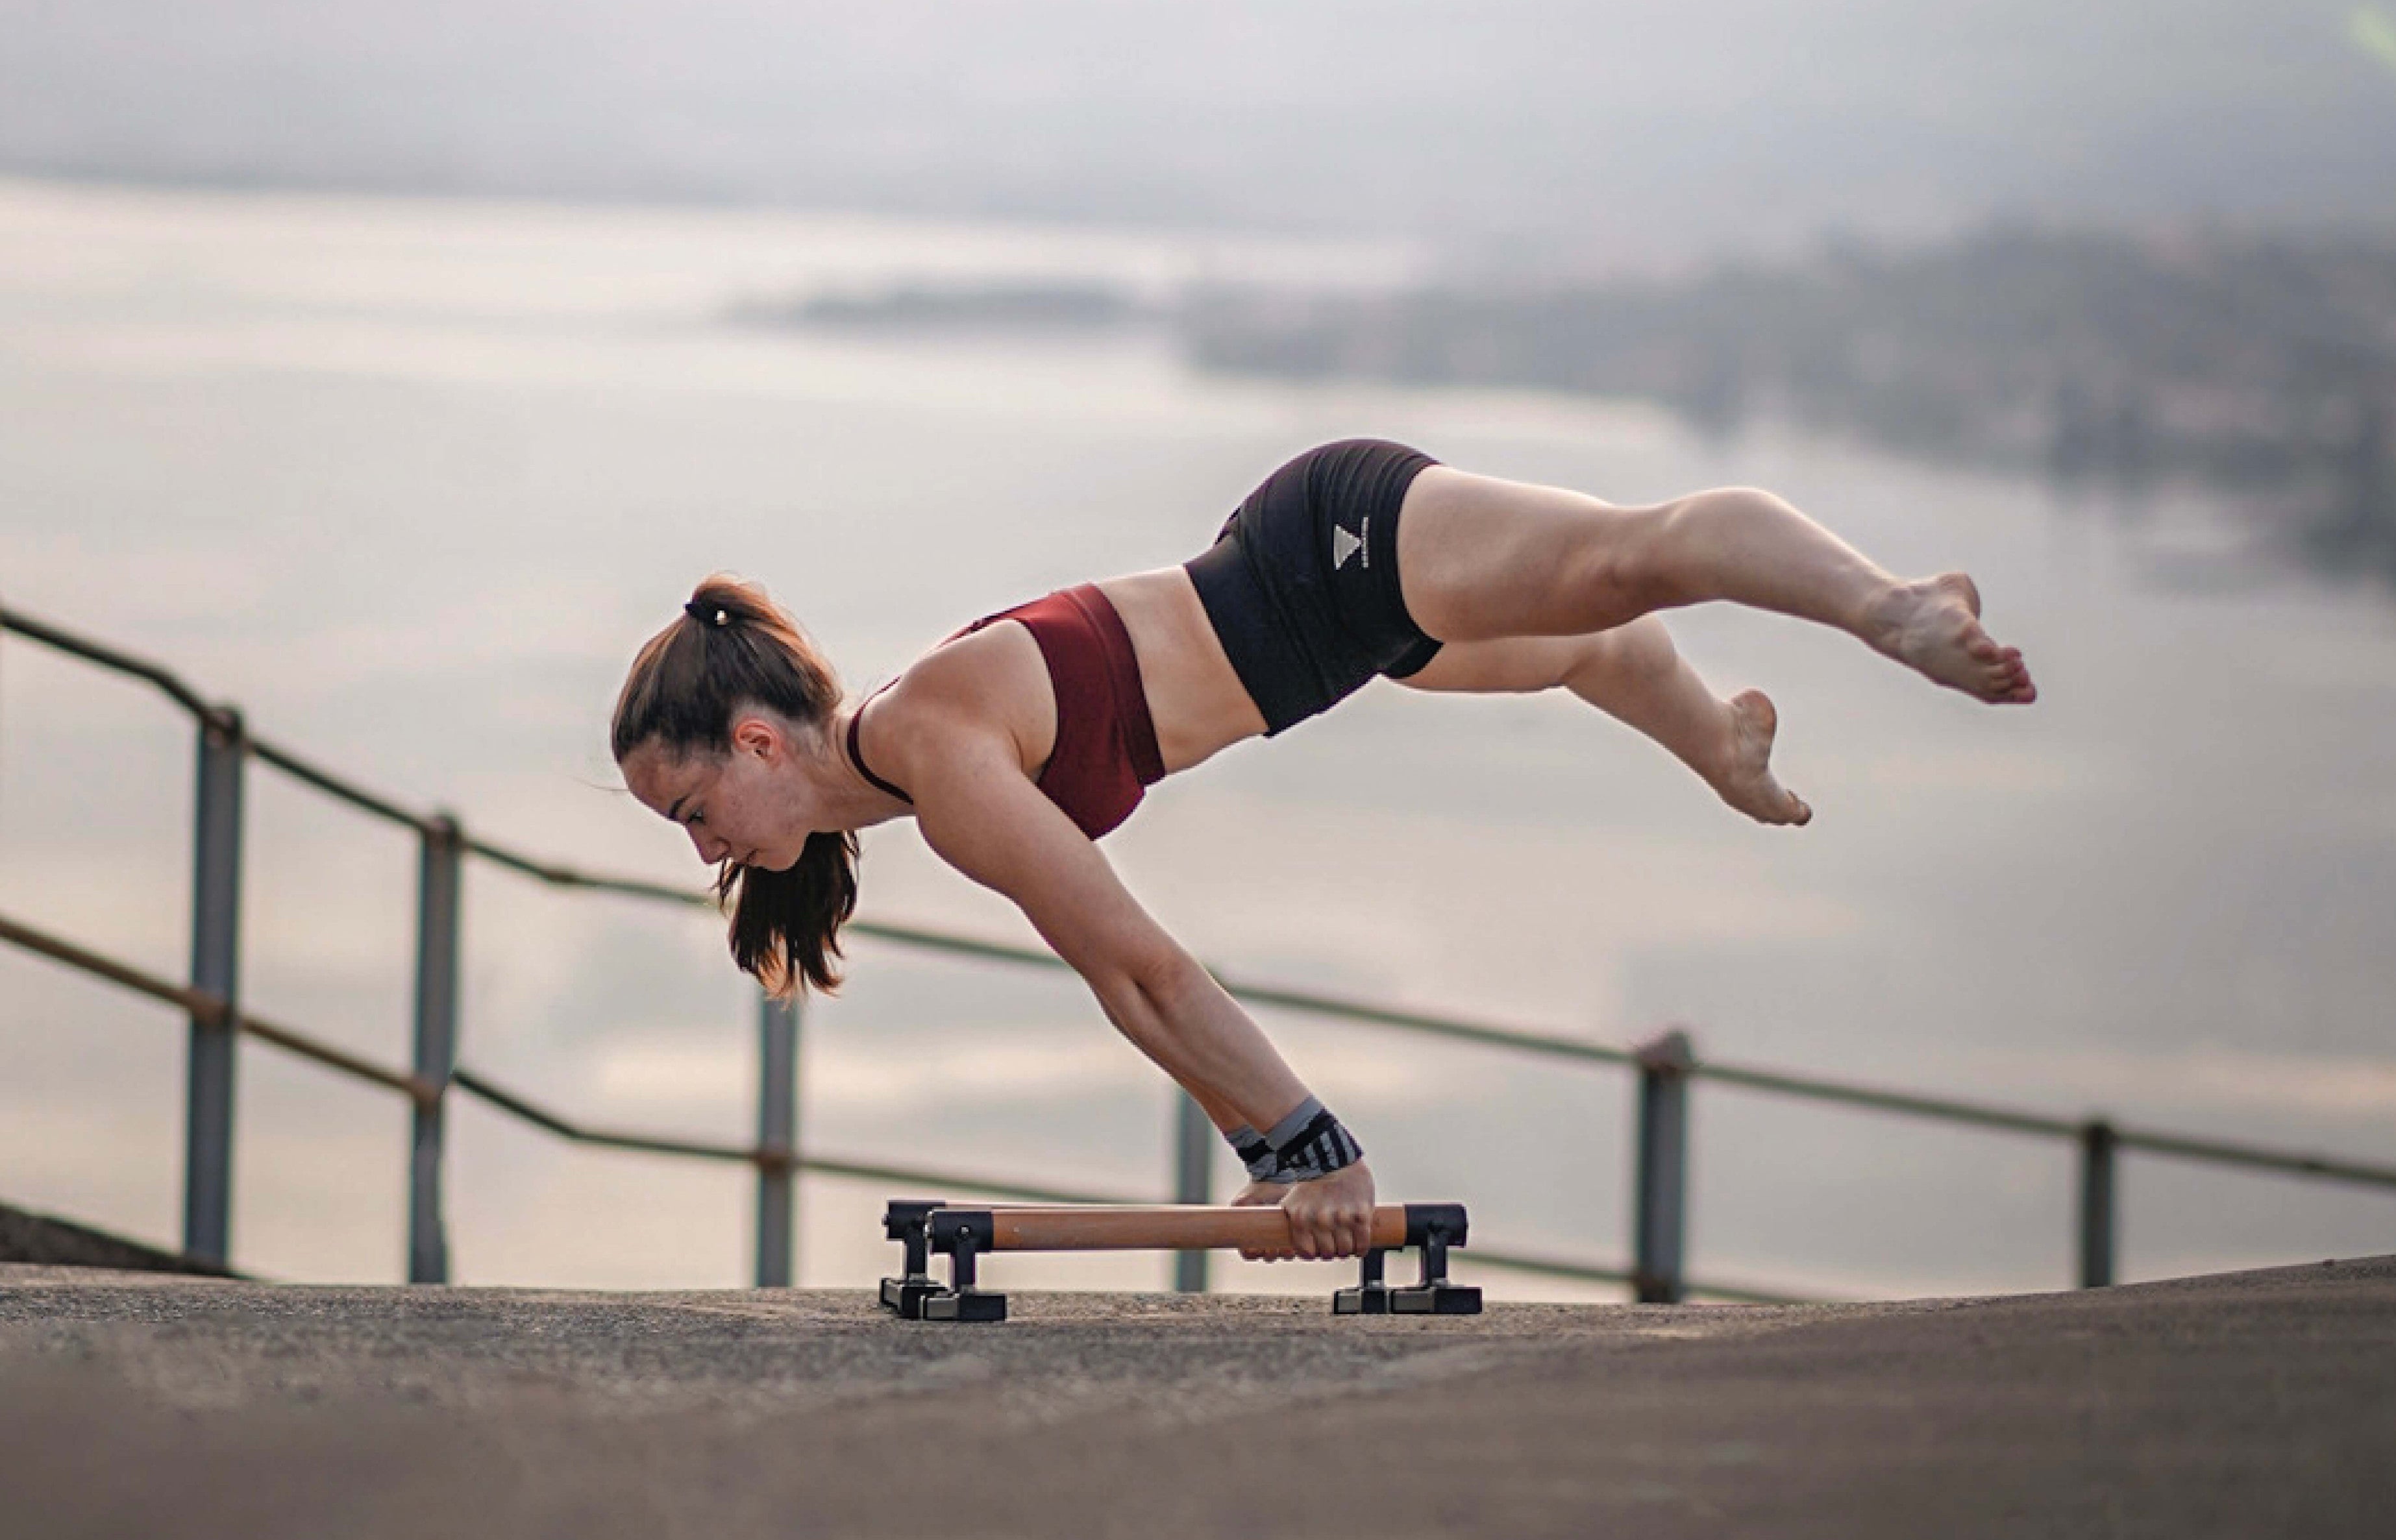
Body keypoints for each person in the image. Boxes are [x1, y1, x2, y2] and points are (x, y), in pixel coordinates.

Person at [612, 439, 2034, 1262]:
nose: (704, 850)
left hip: (1326, 548)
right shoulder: (904, 766)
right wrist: (1277, 1152)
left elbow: (1141, 970)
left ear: (752, 744)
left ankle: (1890, 604)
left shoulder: (927, 741)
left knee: (1624, 556)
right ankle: (1719, 743)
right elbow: (1133, 987)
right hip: (1334, 647)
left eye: (690, 812)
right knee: (1582, 642)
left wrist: (1310, 1142)